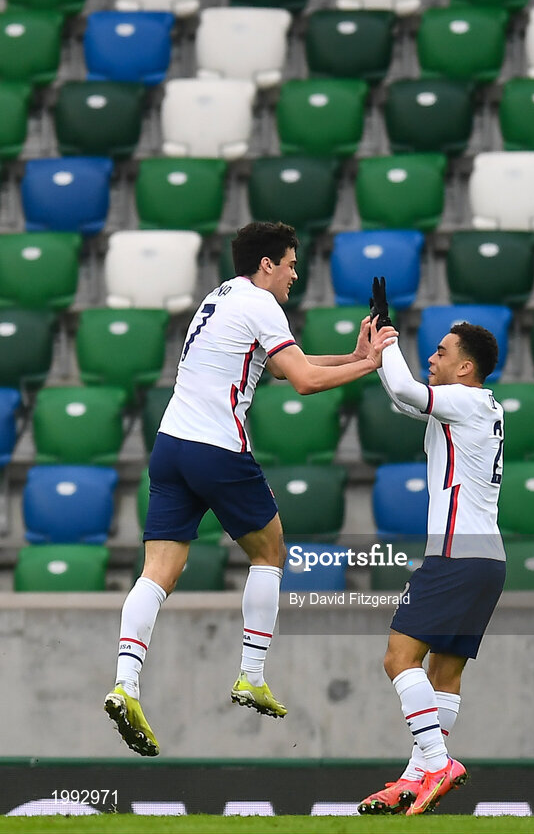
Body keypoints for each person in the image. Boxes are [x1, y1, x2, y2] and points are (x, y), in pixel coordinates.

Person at [104, 221, 384, 756]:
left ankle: (125, 683)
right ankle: (251, 674)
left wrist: (351, 360)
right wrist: (370, 365)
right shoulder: (261, 304)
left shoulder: (221, 297)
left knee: (158, 572)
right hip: (216, 448)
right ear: (267, 265)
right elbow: (302, 381)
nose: (295, 275)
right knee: (271, 552)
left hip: (170, 446)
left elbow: (283, 369)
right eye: (291, 264)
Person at [359, 290, 506, 817]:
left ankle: (439, 762)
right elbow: (404, 396)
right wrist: (377, 352)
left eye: (442, 352)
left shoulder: (463, 401)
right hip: (488, 560)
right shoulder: (481, 406)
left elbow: (403, 387)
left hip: (455, 555)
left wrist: (386, 337)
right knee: (445, 675)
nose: (432, 357)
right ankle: (415, 777)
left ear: (466, 368)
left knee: (399, 659)